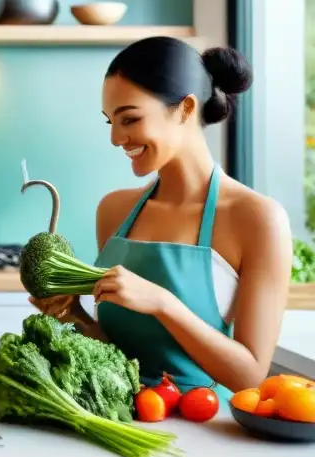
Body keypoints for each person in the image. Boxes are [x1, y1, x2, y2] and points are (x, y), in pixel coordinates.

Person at [33, 36, 292, 398]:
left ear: (185, 109)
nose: (115, 138)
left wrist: (163, 304)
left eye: (130, 118)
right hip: (120, 421)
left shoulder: (258, 219)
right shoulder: (114, 211)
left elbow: (249, 375)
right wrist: (71, 316)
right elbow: (122, 356)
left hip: (206, 436)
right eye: (110, 121)